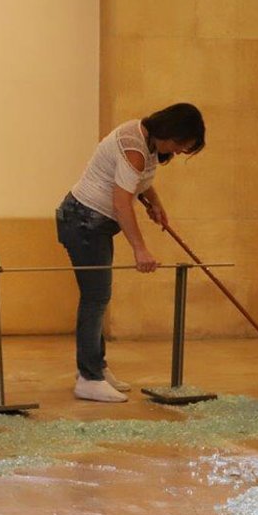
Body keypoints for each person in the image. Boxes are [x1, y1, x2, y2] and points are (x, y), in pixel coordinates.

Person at [56, 103, 205, 402]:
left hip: (94, 224)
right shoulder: (134, 148)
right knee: (96, 297)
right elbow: (121, 203)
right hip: (82, 222)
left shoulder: (147, 143)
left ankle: (95, 365)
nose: (176, 153)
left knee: (98, 296)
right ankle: (88, 377)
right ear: (169, 132)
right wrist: (140, 250)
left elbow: (141, 183)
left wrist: (156, 204)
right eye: (178, 146)